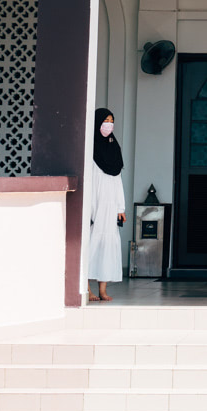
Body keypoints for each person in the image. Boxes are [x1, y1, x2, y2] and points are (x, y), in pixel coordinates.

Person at [85, 107, 126, 301]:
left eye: (111, 120)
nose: (109, 124)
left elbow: (118, 179)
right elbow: (90, 180)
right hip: (95, 206)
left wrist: (120, 208)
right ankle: (87, 289)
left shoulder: (114, 148)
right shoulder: (90, 149)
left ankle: (102, 290)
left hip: (110, 207)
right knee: (91, 245)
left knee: (108, 245)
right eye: (105, 120)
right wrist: (90, 209)